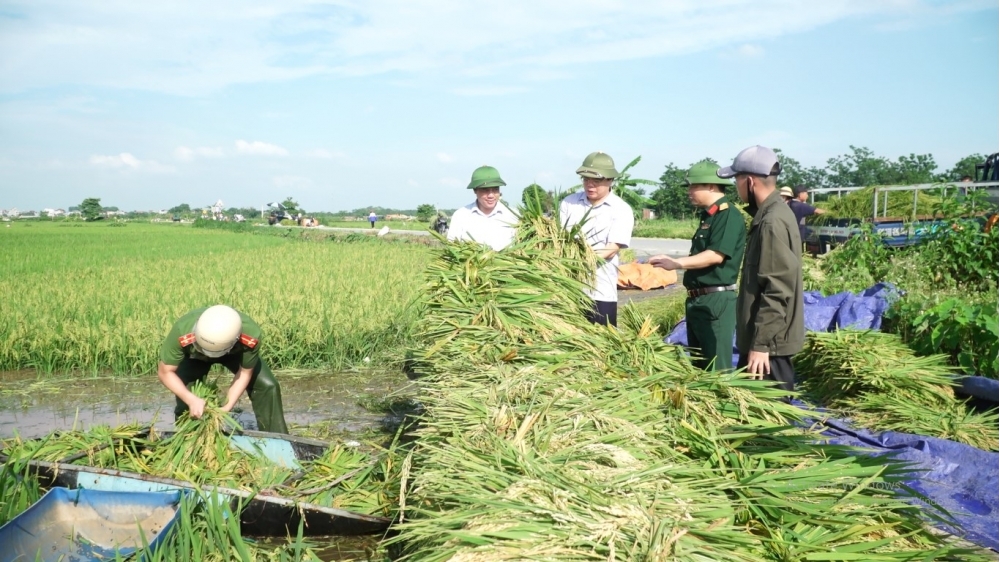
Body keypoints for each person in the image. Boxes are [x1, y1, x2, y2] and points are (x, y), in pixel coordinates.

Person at [717, 145, 804, 392]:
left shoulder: (772, 221)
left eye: (736, 180)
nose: (735, 186)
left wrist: (761, 345)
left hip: (768, 349)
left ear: (750, 182)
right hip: (766, 343)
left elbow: (777, 288)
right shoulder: (772, 214)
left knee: (767, 424)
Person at [649, 161, 745, 370]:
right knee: (700, 366)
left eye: (693, 186)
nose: (689, 192)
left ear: (711, 186)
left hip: (716, 301)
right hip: (698, 299)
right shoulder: (709, 216)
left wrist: (676, 263)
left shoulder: (727, 215)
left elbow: (715, 255)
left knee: (717, 368)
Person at [158, 305, 289, 433]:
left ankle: (277, 439)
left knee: (268, 386)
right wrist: (191, 399)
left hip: (234, 352)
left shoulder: (250, 336)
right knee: (186, 394)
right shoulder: (182, 331)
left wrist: (227, 406)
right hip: (194, 356)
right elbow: (165, 372)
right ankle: (187, 436)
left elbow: (244, 373)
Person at [559, 151, 634, 327]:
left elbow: (611, 249)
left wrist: (577, 258)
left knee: (602, 344)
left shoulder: (621, 209)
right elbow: (560, 241)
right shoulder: (569, 203)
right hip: (569, 289)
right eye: (585, 179)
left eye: (596, 181)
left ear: (610, 180)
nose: (590, 185)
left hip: (601, 291)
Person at [447, 165, 517, 251]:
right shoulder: (461, 215)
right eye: (485, 190)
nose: (491, 195)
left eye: (495, 189)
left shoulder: (512, 215)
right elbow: (451, 246)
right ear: (475, 190)